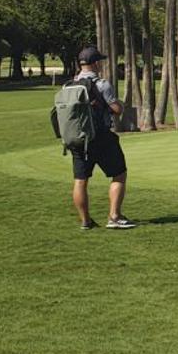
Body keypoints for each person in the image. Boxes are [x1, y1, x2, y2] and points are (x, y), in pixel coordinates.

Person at [70, 46, 137, 229]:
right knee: (119, 174)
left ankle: (85, 221)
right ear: (96, 64)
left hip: (77, 139)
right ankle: (114, 216)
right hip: (100, 137)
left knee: (80, 180)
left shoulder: (69, 85)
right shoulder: (102, 84)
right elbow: (117, 109)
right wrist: (118, 104)